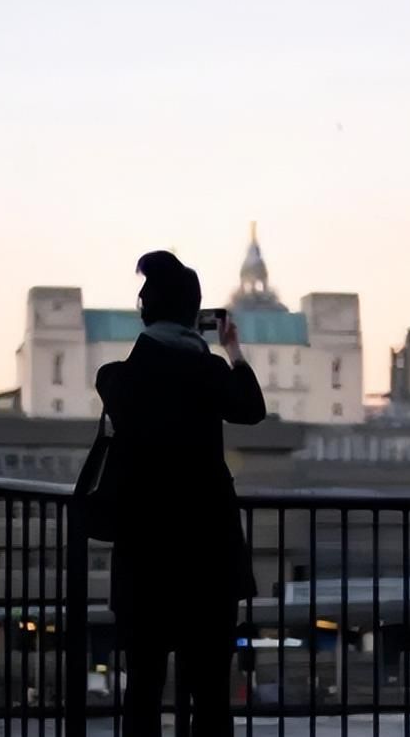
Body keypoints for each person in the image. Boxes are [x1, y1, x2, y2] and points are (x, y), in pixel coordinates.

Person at [96, 250, 266, 737]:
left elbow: (125, 382)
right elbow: (251, 409)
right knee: (211, 691)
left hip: (145, 554)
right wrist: (231, 351)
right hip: (207, 556)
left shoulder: (118, 378)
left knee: (143, 689)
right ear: (196, 316)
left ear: (145, 312)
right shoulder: (209, 374)